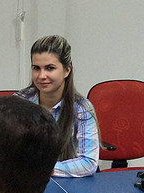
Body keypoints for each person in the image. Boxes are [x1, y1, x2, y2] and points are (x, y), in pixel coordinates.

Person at [15, 35, 99, 177]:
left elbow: (88, 162)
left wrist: (41, 169)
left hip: (64, 184)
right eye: (36, 68)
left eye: (50, 68)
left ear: (67, 70)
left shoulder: (82, 108)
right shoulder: (19, 102)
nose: (41, 75)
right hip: (23, 184)